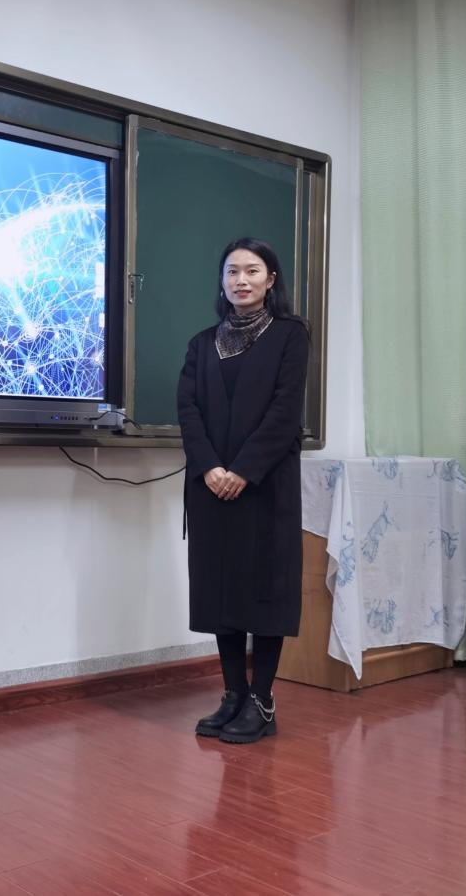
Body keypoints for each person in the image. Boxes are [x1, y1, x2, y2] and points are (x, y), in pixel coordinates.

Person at [177, 237, 309, 744]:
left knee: (264, 591)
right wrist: (211, 468)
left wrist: (243, 471)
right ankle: (233, 694)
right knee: (221, 592)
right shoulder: (200, 343)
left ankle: (261, 701)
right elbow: (188, 410)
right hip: (210, 489)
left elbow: (285, 413)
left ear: (271, 280)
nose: (241, 280)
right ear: (222, 280)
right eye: (232, 271)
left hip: (265, 486)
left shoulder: (291, 336)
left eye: (252, 271)